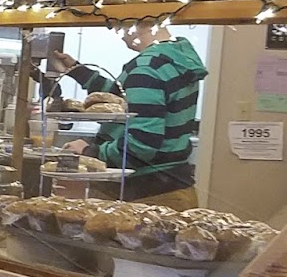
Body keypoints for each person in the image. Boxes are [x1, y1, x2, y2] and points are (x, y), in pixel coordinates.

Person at [49, 18, 207, 209]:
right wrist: (77, 70)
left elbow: (141, 144)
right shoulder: (174, 57)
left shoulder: (146, 68)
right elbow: (124, 100)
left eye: (115, 25)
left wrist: (90, 152)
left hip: (147, 196)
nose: (117, 33)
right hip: (175, 188)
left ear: (136, 22)